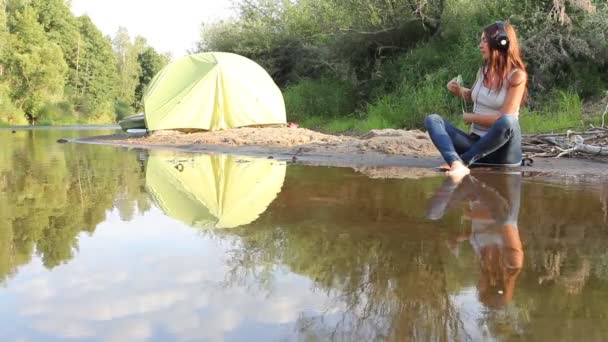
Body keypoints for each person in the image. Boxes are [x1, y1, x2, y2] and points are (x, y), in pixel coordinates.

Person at [425, 21, 528, 181]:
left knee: (508, 121)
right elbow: (475, 96)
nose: (480, 45)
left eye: (484, 40)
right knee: (432, 119)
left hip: (503, 153)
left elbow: (502, 119)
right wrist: (460, 91)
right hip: (476, 146)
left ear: (501, 42)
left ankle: (463, 161)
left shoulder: (517, 76)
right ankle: (456, 162)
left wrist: (471, 118)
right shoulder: (483, 71)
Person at [426, 172, 524, 308]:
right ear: (493, 284)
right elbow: (506, 219)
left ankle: (461, 171)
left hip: (476, 195)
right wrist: (471, 215)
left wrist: (459, 238)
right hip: (497, 188)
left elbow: (480, 234)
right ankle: (461, 171)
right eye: (480, 288)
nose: (477, 285)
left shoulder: (485, 263)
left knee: (433, 212)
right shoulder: (513, 263)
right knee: (433, 212)